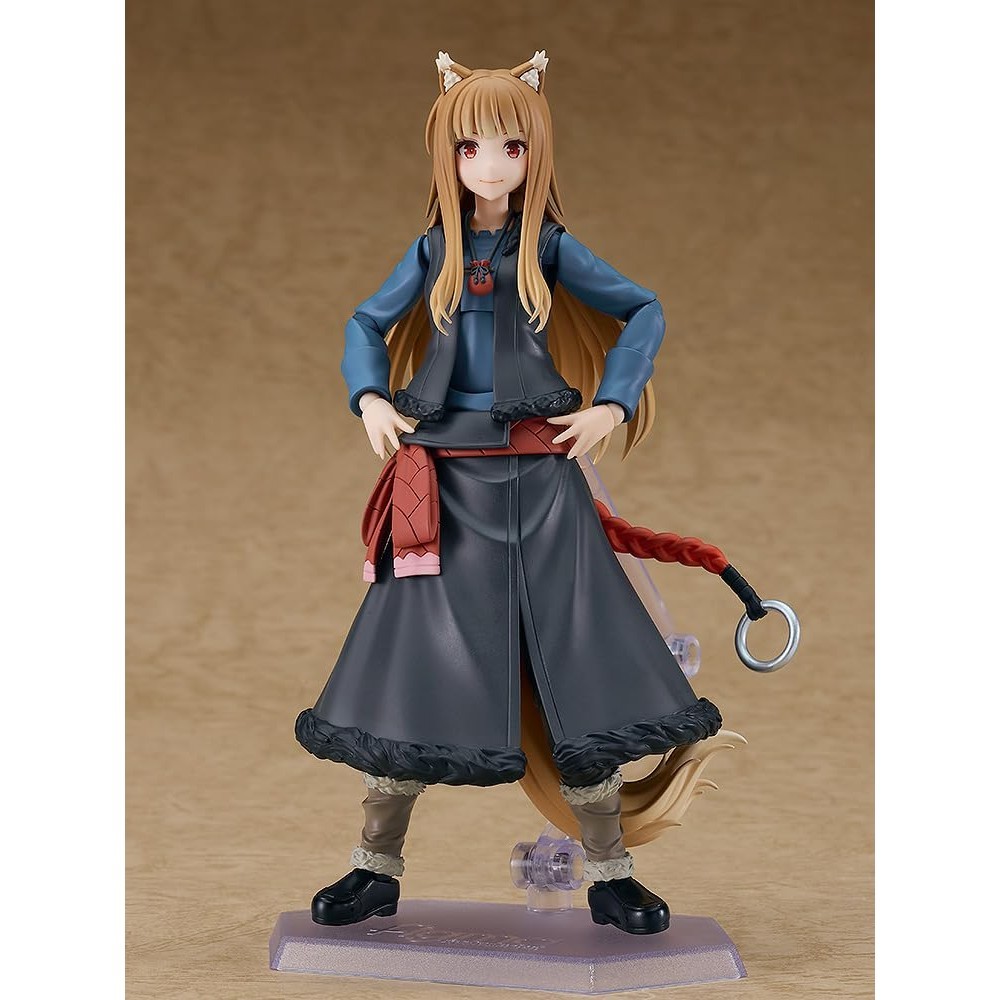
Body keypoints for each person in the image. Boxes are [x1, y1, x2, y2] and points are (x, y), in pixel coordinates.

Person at [295, 50, 722, 936]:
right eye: (470, 148)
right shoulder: (434, 252)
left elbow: (643, 309)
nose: (490, 165)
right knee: (408, 672)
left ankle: (610, 873)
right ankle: (375, 867)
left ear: (536, 154)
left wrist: (612, 402)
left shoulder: (549, 250)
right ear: (446, 156)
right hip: (443, 489)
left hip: (540, 483)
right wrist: (369, 395)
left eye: (511, 147)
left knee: (580, 670)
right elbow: (365, 320)